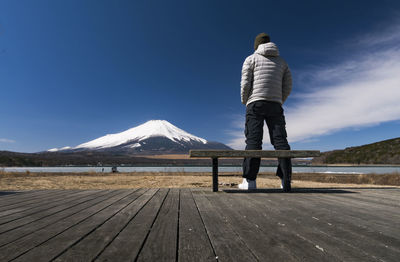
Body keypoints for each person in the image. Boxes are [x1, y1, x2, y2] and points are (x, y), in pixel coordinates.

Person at [239, 33, 293, 192]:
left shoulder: (251, 59)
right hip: (275, 105)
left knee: (253, 141)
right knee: (281, 141)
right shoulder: (282, 62)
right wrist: (279, 99)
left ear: (256, 45)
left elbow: (245, 83)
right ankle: (286, 180)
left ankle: (250, 181)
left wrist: (245, 100)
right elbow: (288, 85)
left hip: (255, 103)